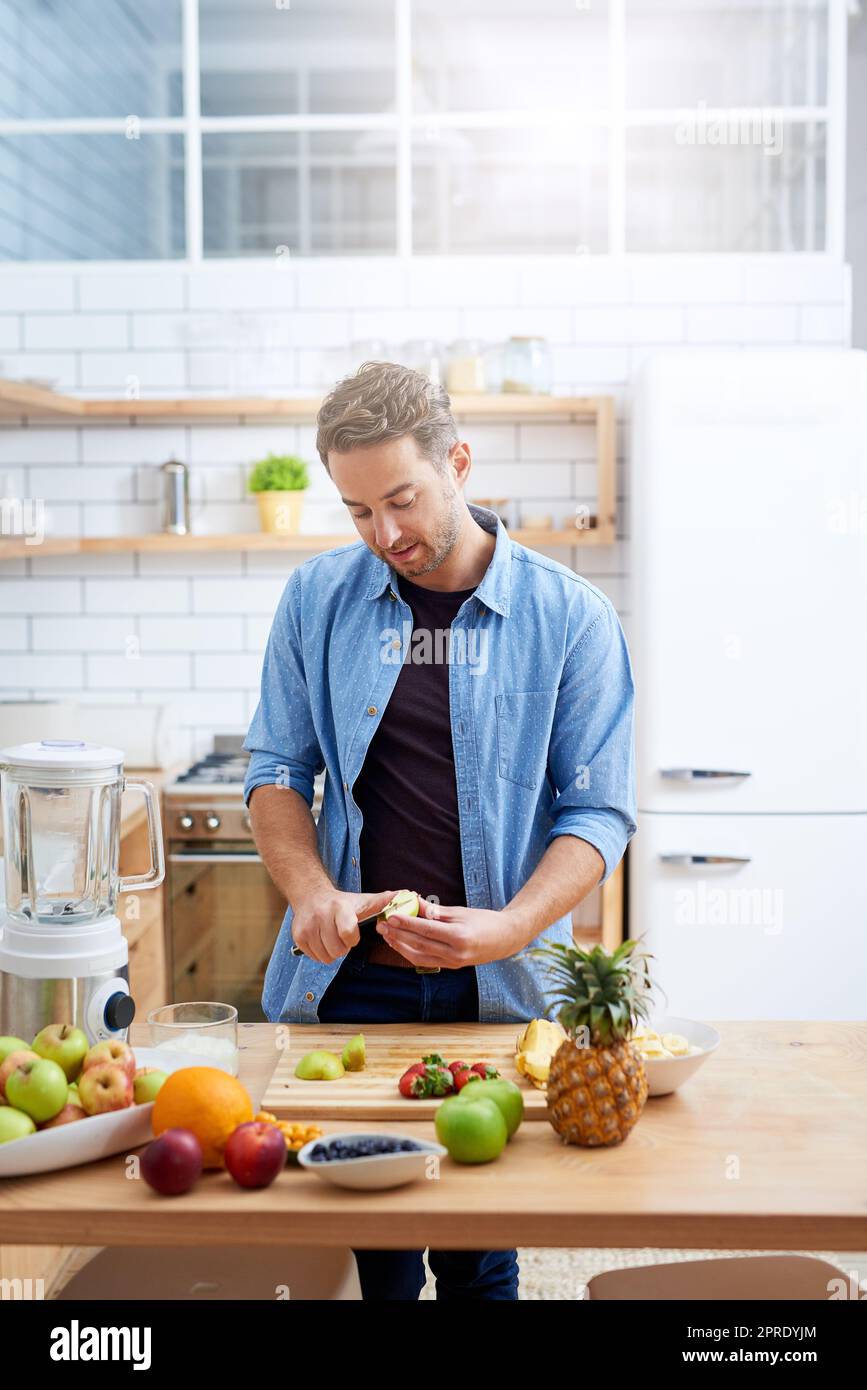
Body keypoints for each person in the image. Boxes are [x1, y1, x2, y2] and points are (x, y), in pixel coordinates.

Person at [243, 361, 637, 1300]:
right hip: (349, 990)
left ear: (458, 461)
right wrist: (311, 892)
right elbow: (274, 771)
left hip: (494, 994)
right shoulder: (315, 601)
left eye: (402, 500)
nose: (385, 535)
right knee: (359, 1251)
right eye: (356, 511)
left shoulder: (570, 618)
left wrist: (506, 927)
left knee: (477, 1253)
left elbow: (597, 811)